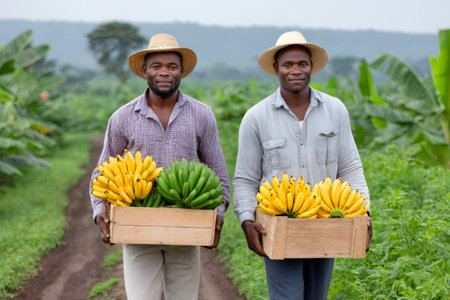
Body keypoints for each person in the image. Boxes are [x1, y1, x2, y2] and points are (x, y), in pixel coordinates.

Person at [89, 33, 230, 300]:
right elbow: (101, 172)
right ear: (144, 71)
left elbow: (218, 172)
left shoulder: (202, 115)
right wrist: (100, 212)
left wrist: (218, 215)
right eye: (156, 66)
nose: (164, 72)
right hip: (138, 224)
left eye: (171, 66)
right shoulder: (122, 118)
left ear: (182, 71)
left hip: (187, 222)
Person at [233, 31, 373, 300]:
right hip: (279, 223)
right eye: (288, 65)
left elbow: (351, 167)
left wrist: (364, 212)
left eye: (302, 64)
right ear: (277, 69)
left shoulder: (335, 110)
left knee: (316, 296)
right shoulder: (256, 117)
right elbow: (245, 178)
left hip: (326, 220)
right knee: (287, 295)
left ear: (311, 67)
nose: (295, 70)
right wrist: (246, 219)